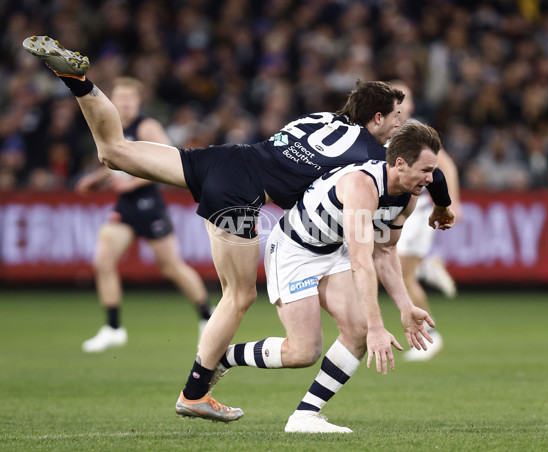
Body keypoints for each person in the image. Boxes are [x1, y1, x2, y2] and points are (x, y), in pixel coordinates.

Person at [23, 36, 455, 422]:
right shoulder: (364, 153)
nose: (400, 125)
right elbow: (416, 172)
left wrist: (440, 203)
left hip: (228, 158)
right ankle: (194, 393)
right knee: (239, 295)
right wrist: (444, 203)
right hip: (243, 194)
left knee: (114, 152)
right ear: (376, 119)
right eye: (396, 117)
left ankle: (78, 83)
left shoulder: (322, 117)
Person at [191, 121, 445, 432]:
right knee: (303, 352)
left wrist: (405, 308)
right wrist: (379, 326)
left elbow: (385, 252)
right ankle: (224, 358)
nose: (431, 178)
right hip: (293, 251)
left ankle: (305, 416)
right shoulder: (362, 187)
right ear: (400, 164)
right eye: (426, 170)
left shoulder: (408, 195)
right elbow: (362, 262)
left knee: (358, 331)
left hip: (329, 251)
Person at [74, 77, 212, 353]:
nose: (124, 103)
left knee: (171, 267)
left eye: (129, 98)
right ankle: (113, 328)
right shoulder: (115, 128)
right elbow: (119, 160)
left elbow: (170, 163)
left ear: (138, 102)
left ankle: (208, 319)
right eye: (120, 97)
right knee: (103, 260)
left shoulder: (146, 126)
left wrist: (131, 183)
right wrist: (98, 178)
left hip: (148, 204)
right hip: (125, 205)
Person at [390, 81, 462, 361]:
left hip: (416, 212)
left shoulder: (415, 131)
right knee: (394, 270)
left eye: (403, 99)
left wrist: (450, 201)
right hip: (396, 211)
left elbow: (446, 165)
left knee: (402, 275)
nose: (399, 105)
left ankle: (431, 337)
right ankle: (428, 266)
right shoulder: (385, 130)